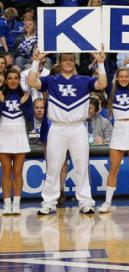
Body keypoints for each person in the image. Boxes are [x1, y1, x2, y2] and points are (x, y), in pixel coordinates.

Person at [28, 48, 107, 215]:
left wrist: (100, 63)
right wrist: (36, 61)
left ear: (75, 62)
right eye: (65, 60)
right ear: (60, 62)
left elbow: (102, 84)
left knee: (81, 166)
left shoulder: (84, 80)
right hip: (57, 127)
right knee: (53, 167)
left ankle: (86, 202)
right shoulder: (51, 80)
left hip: (78, 128)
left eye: (71, 60)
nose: (69, 62)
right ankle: (48, 202)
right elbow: (32, 82)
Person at [98, 67, 129, 213]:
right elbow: (104, 71)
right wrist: (101, 61)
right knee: (113, 168)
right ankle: (107, 202)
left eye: (126, 76)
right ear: (117, 78)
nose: (124, 79)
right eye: (121, 77)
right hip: (118, 130)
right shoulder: (111, 91)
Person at [0, 69, 32, 215]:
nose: (13, 81)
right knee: (6, 171)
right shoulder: (1, 94)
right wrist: (1, 102)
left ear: (19, 80)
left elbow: (30, 118)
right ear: (6, 80)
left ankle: (17, 204)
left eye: (16, 78)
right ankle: (7, 204)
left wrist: (23, 104)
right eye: (10, 78)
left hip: (19, 133)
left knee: (18, 172)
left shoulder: (24, 95)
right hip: (4, 133)